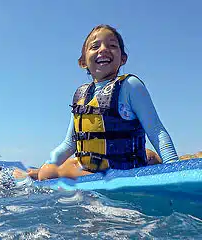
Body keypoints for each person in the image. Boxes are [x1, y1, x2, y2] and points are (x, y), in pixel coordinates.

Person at [32, 24, 178, 180]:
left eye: (112, 45)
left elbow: (156, 130)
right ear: (83, 62)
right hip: (93, 170)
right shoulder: (81, 95)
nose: (103, 49)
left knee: (48, 174)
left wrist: (174, 167)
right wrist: (48, 163)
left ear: (123, 58)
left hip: (124, 172)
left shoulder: (130, 86)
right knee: (50, 168)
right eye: (95, 46)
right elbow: (69, 144)